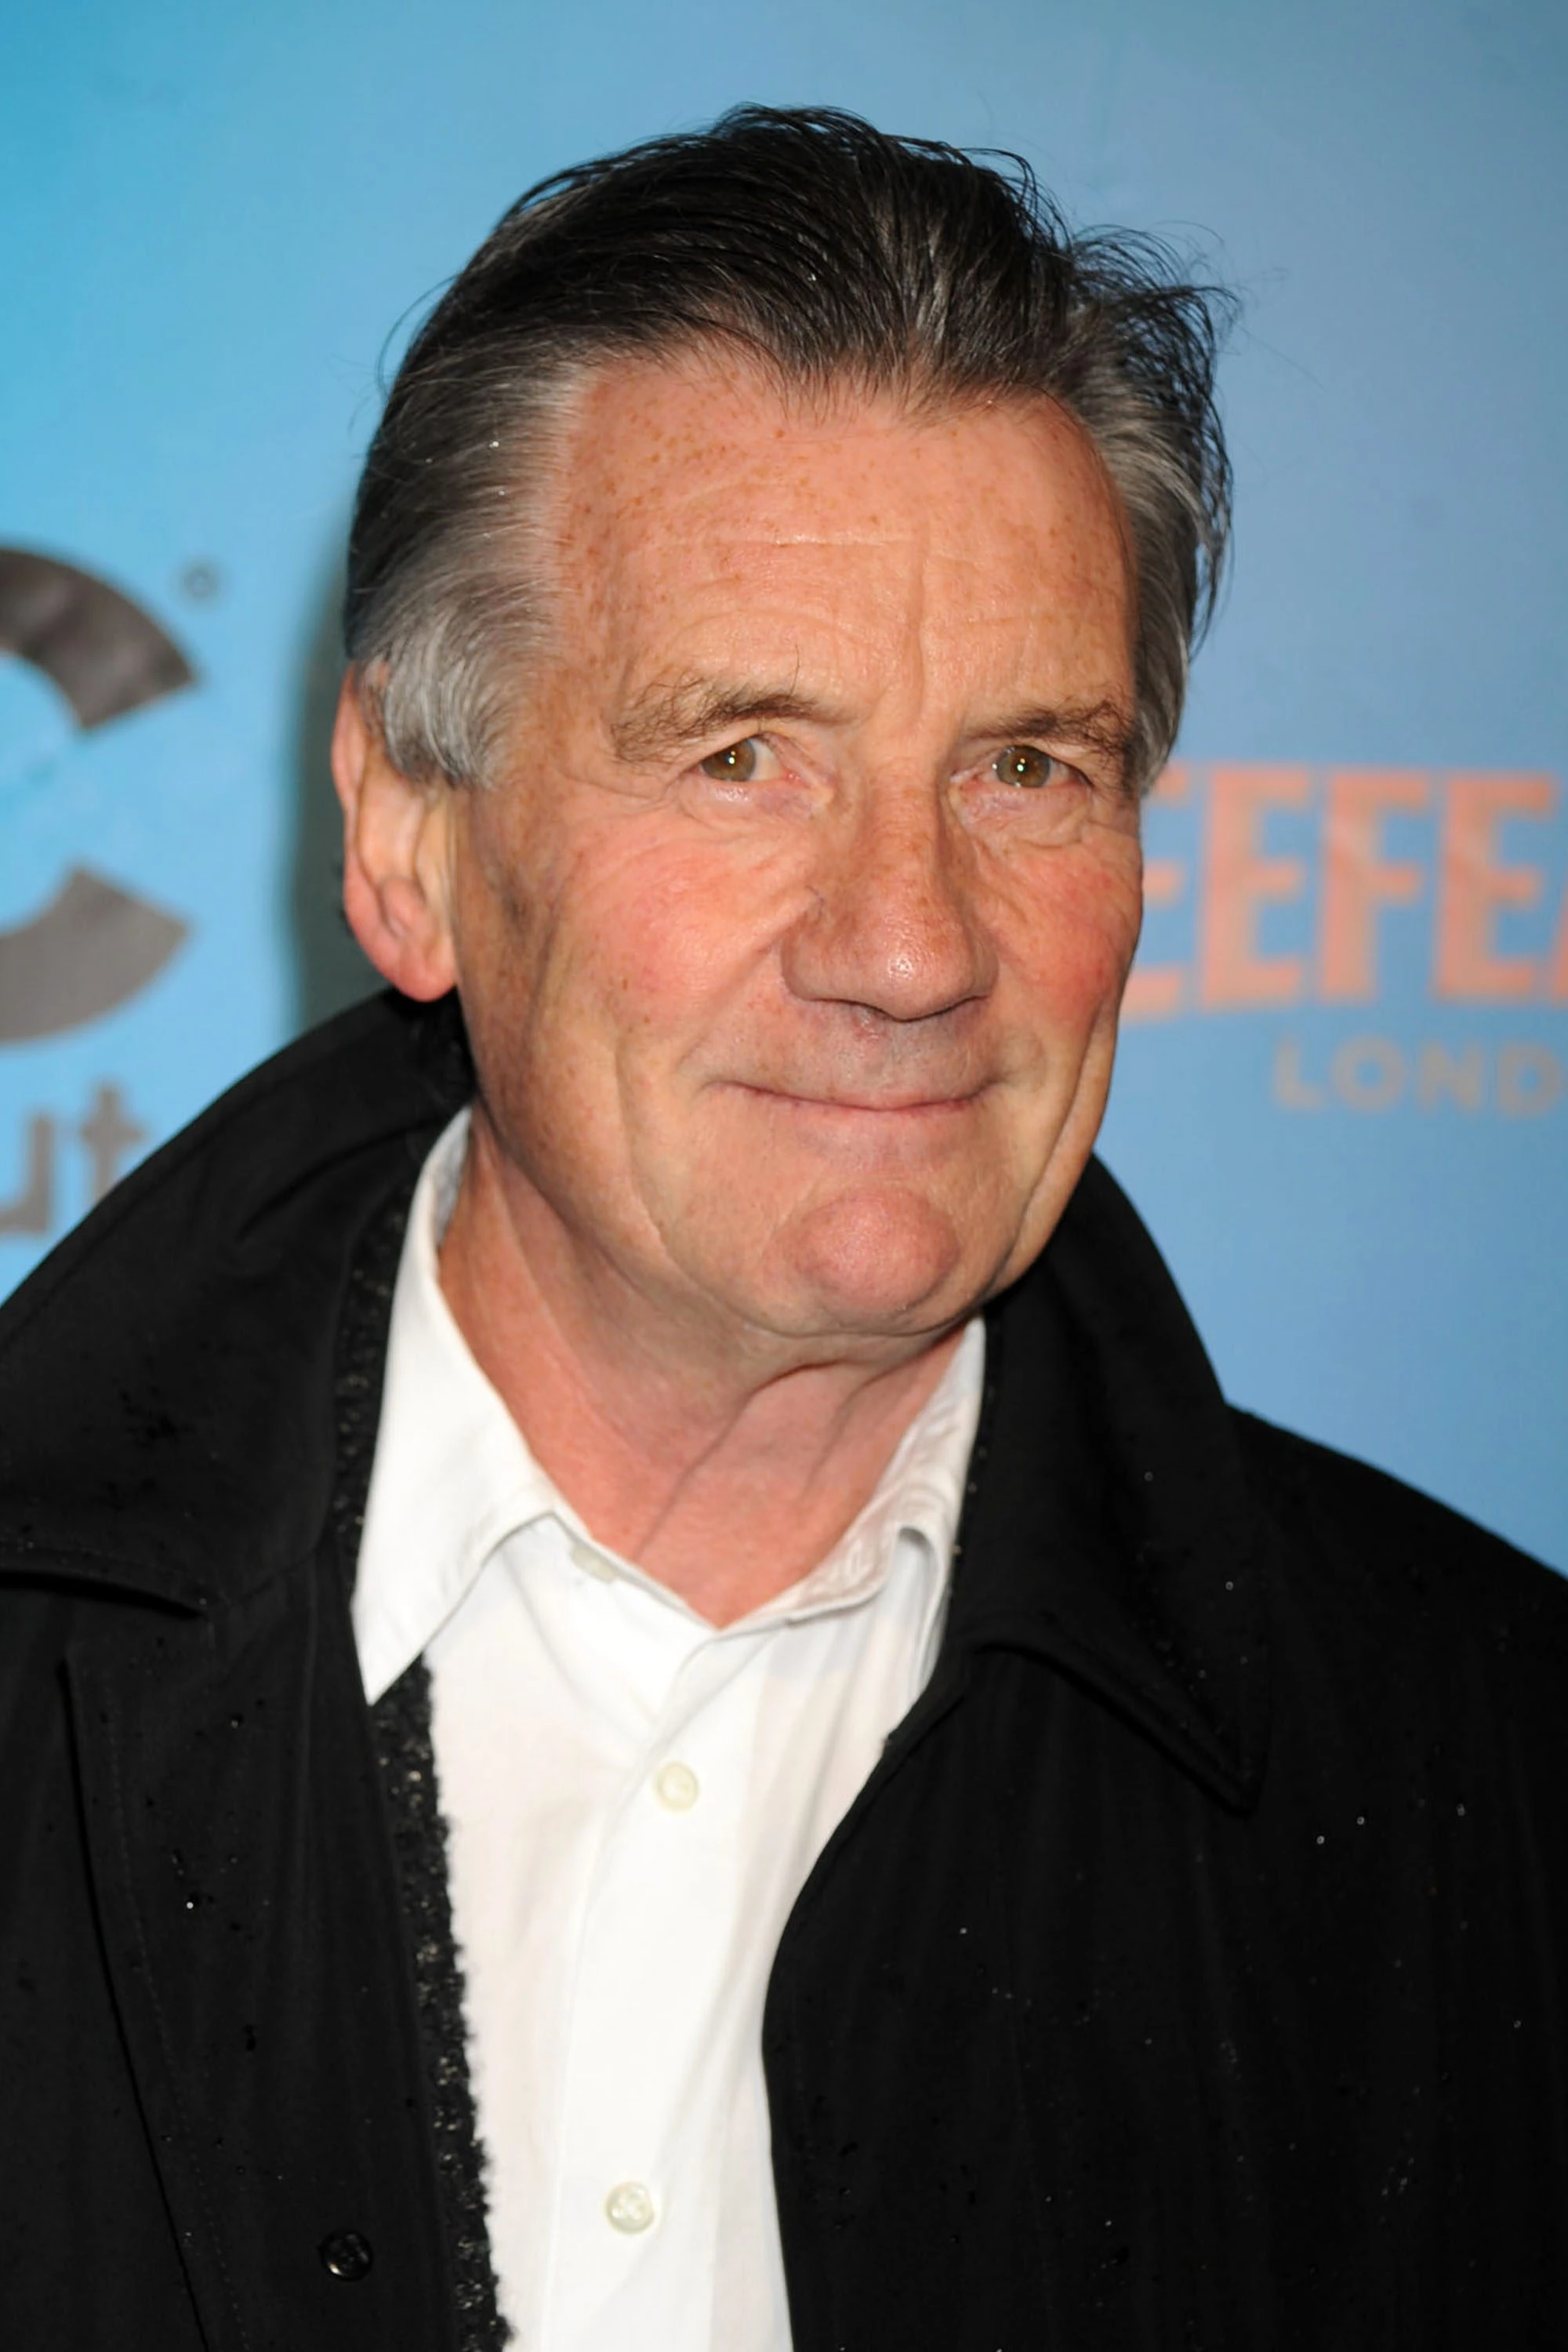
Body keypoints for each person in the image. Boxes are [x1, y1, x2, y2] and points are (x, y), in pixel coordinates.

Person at [1, 105, 1565, 2352]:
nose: (912, 945)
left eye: (1028, 768)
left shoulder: (1489, 1781)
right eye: (744, 755)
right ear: (409, 840)